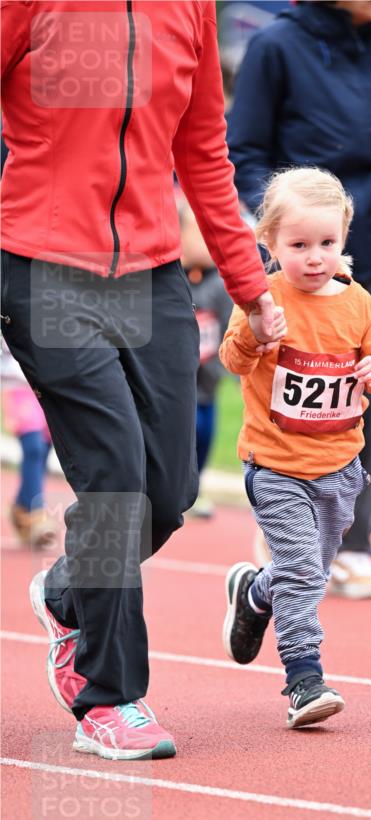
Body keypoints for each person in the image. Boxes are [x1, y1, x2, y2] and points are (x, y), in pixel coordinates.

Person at [1, 2, 274, 760]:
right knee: (115, 481)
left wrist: (251, 287)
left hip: (152, 275)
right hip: (42, 266)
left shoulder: (188, 7)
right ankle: (110, 699)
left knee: (168, 491)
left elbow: (205, 154)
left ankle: (65, 593)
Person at [228, 0, 371, 598]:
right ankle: (283, 521)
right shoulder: (275, 46)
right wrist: (278, 228)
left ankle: (355, 540)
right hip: (298, 256)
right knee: (288, 389)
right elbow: (244, 153)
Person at [220, 167, 371, 727]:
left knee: (308, 572)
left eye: (327, 243)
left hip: (340, 469)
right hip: (276, 466)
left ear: (344, 237)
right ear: (269, 242)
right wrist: (256, 332)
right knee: (302, 572)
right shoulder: (262, 298)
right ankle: (304, 679)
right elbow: (232, 361)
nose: (315, 256)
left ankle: (254, 594)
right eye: (299, 245)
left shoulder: (359, 304)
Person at [177, 195, 234, 518]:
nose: (206, 243)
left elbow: (230, 325)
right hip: (177, 375)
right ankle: (175, 485)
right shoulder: (173, 280)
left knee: (204, 429)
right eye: (197, 234)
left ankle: (195, 486)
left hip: (208, 373)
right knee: (183, 427)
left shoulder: (220, 283)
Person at [1, 340, 57, 548]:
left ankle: (21, 507)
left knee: (44, 450)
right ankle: (35, 514)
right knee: (33, 447)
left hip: (47, 387)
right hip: (17, 387)